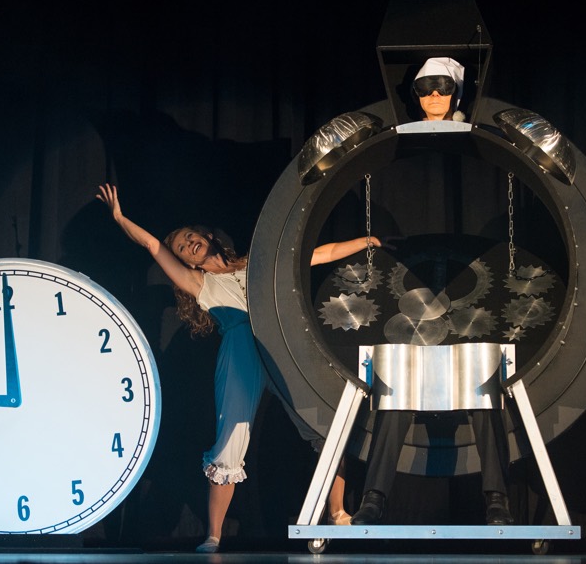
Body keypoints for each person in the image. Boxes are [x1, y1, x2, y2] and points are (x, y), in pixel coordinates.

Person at [96, 183, 380, 552]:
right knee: (231, 439)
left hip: (279, 341)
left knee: (325, 425)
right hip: (241, 346)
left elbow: (318, 253)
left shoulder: (259, 262)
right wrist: (119, 218)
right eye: (182, 248)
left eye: (190, 237)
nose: (188, 245)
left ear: (206, 236)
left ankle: (338, 512)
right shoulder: (200, 282)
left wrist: (366, 242)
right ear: (188, 263)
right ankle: (213, 536)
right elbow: (153, 246)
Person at [349, 57, 514, 527]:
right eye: (426, 91)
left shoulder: (473, 135)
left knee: (485, 396)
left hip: (465, 324)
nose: (435, 98)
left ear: (457, 93)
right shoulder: (402, 139)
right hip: (413, 329)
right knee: (394, 397)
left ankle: (497, 499)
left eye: (443, 90)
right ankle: (374, 499)